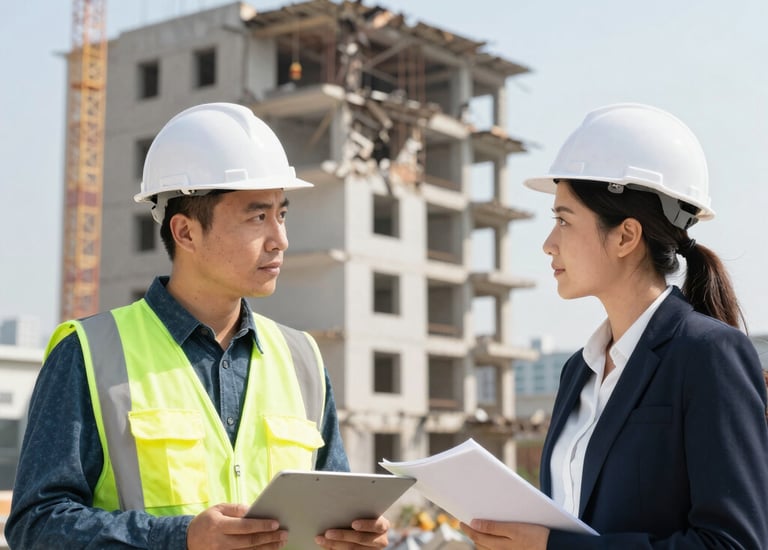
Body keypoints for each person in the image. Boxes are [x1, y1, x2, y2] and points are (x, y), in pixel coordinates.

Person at [5, 102, 390, 549]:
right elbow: (37, 524)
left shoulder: (303, 359)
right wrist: (180, 539)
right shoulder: (88, 354)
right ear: (185, 232)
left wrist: (352, 539)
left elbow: (330, 514)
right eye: (257, 216)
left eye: (282, 214)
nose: (280, 239)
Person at [462, 103, 768, 548]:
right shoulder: (577, 370)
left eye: (563, 220)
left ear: (625, 236)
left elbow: (733, 543)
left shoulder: (708, 355)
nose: (548, 245)